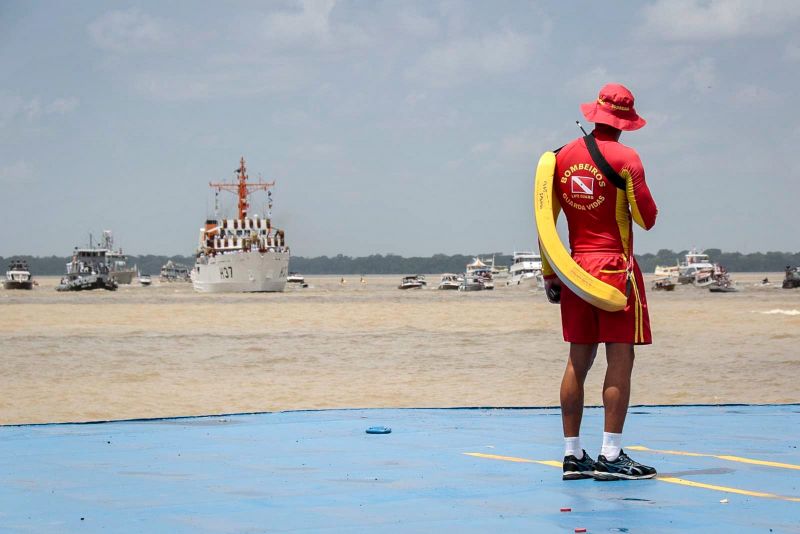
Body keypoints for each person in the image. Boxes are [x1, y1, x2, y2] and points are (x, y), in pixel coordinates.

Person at [541, 83, 658, 481]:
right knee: (620, 359)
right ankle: (611, 454)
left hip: (573, 270)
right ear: (625, 122)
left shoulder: (557, 159)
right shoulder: (627, 157)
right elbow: (647, 218)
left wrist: (548, 273)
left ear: (594, 114)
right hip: (614, 271)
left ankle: (572, 455)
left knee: (578, 359)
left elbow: (545, 223)